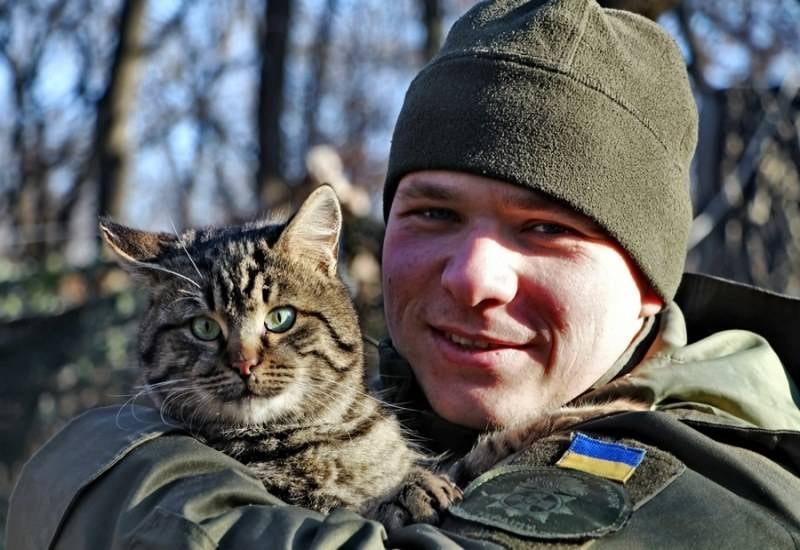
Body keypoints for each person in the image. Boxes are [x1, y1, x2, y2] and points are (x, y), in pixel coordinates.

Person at [7, 0, 800, 548]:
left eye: (547, 229)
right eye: (434, 214)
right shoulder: (394, 384)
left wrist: (103, 472)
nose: (473, 278)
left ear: (651, 285)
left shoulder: (718, 498)